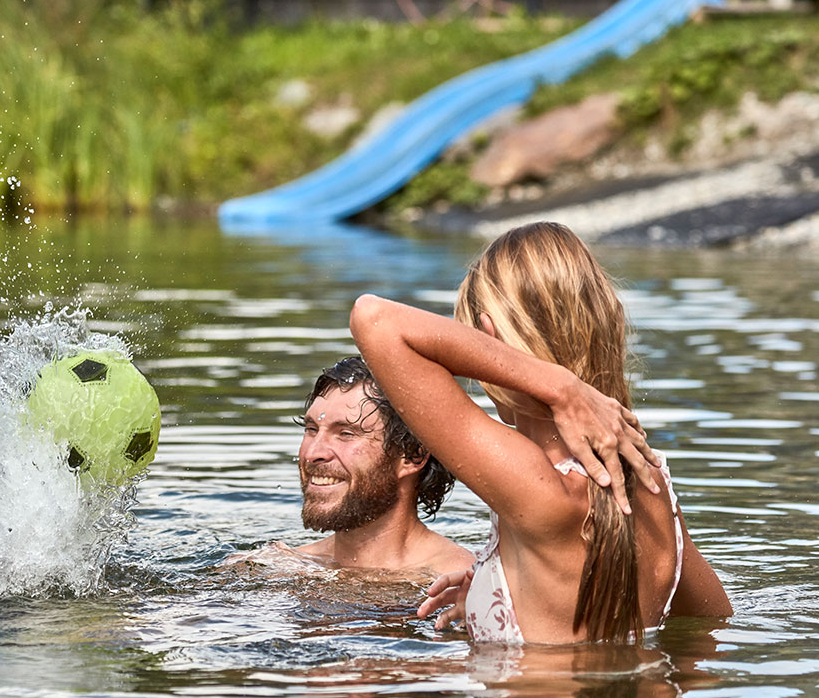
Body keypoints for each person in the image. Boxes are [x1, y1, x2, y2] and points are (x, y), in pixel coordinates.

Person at [349, 222, 731, 644]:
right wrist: (487, 592)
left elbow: (375, 318)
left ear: (487, 338)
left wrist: (560, 387)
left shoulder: (535, 484)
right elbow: (711, 627)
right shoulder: (651, 482)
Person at [229, 355, 476, 577]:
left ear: (411, 456)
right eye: (311, 429)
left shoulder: (461, 583)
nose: (313, 453)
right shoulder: (269, 568)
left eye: (346, 433)